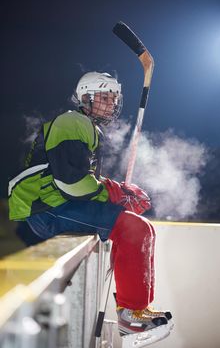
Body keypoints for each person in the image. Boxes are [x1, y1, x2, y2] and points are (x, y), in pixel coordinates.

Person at [8, 72, 172, 339]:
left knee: (143, 229)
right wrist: (112, 194)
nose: (111, 104)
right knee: (134, 228)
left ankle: (138, 310)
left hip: (55, 203)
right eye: (104, 98)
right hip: (47, 207)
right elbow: (70, 182)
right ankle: (131, 316)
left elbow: (83, 180)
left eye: (114, 99)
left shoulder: (86, 126)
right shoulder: (72, 121)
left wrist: (117, 190)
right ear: (85, 98)